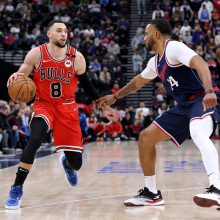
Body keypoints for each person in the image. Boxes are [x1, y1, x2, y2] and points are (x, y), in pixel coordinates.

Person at [97, 18, 220, 208]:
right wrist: (115, 97)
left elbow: (201, 63)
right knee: (145, 137)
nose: (144, 38)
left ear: (156, 34)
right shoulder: (156, 62)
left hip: (202, 97)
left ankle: (217, 188)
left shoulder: (173, 47)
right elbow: (138, 82)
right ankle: (151, 194)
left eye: (146, 34)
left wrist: (209, 90)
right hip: (184, 106)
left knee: (197, 131)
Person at [5, 20, 121, 210]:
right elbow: (21, 75)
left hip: (67, 108)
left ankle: (66, 163)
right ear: (49, 34)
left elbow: (88, 85)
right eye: (59, 31)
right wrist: (15, 77)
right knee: (34, 140)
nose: (63, 34)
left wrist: (104, 106)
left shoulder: (77, 57)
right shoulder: (36, 54)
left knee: (76, 164)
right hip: (44, 105)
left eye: (65, 31)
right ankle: (17, 188)